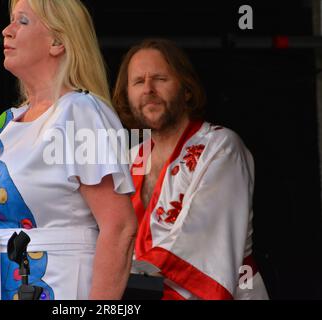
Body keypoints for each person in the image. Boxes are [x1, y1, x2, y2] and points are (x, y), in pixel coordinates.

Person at [0, 0, 137, 300]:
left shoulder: (80, 111)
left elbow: (119, 226)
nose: (6, 31)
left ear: (57, 42)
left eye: (21, 22)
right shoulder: (8, 123)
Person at [112, 38, 269, 300]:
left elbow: (199, 243)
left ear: (186, 89)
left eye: (160, 79)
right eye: (138, 82)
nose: (148, 89)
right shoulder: (126, 161)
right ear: (127, 96)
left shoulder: (220, 147)